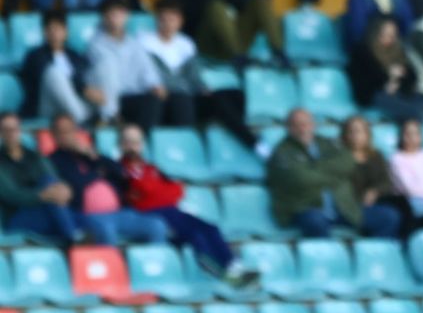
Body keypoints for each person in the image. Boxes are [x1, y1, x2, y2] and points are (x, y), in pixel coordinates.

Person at [117, 123, 257, 289]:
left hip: (172, 211)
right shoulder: (120, 170)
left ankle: (235, 268)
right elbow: (143, 195)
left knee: (211, 228)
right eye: (128, 141)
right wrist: (157, 191)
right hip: (152, 216)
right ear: (120, 144)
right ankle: (218, 270)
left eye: (136, 142)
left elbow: (177, 190)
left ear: (142, 145)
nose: (132, 146)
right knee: (195, 235)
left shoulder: (150, 168)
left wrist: (155, 191)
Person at [266, 108, 403, 239]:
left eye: (306, 123)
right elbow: (302, 179)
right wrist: (335, 175)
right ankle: (326, 261)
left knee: (389, 216)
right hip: (306, 208)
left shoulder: (327, 143)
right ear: (288, 128)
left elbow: (347, 161)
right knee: (316, 221)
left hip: (343, 208)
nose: (303, 129)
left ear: (313, 125)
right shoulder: (281, 152)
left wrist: (312, 168)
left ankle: (374, 258)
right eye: (297, 125)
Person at [45, 114, 167, 245]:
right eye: (62, 132)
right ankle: (114, 265)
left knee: (157, 226)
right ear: (54, 135)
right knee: (105, 230)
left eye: (70, 130)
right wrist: (99, 174)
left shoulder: (90, 155)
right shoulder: (53, 161)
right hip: (88, 216)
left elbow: (120, 172)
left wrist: (93, 156)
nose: (67, 136)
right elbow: (75, 183)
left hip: (119, 212)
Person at [141, 0, 248, 142]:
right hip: (164, 97)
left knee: (233, 95)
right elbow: (151, 77)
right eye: (163, 19)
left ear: (180, 21)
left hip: (188, 94)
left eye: (172, 19)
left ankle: (243, 140)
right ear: (157, 20)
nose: (167, 24)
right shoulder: (145, 42)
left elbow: (194, 77)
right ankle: (187, 144)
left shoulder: (186, 44)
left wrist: (203, 88)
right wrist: (186, 87)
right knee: (182, 99)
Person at [86, 0, 170, 133]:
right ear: (104, 17)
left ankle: (146, 141)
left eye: (119, 13)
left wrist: (155, 85)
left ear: (127, 16)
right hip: (110, 99)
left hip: (133, 95)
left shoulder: (134, 43)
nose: (115, 18)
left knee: (158, 99)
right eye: (111, 14)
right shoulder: (95, 45)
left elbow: (147, 70)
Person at [0, 113, 77, 243]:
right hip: (16, 216)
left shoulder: (35, 156)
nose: (11, 133)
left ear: (20, 130)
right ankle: (73, 237)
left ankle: (72, 236)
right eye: (6, 130)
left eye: (14, 129)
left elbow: (54, 180)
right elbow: (11, 195)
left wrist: (65, 190)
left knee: (49, 182)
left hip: (45, 208)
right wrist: (41, 195)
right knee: (69, 218)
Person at [20, 10, 103, 125]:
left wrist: (91, 91)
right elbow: (47, 79)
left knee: (101, 68)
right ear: (44, 32)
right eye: (50, 29)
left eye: (58, 29)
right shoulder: (35, 56)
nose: (54, 33)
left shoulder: (75, 56)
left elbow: (85, 78)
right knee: (54, 73)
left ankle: (108, 115)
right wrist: (83, 89)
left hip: (75, 101)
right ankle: (84, 120)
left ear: (66, 32)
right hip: (47, 105)